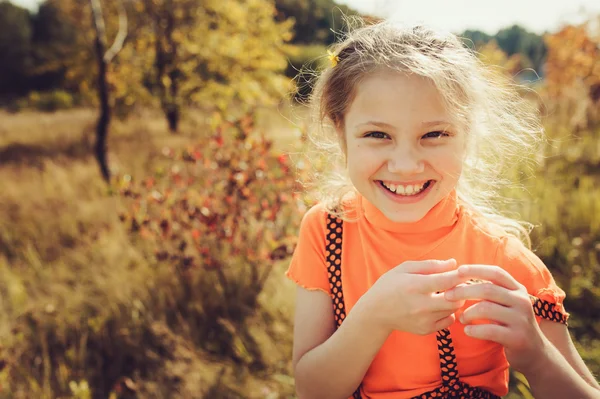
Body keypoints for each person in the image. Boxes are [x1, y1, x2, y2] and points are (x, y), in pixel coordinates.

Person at [286, 20, 600, 399]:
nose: (406, 164)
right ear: (341, 132)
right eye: (377, 135)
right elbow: (311, 390)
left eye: (434, 134)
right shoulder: (326, 230)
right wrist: (374, 316)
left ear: (466, 135)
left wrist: (537, 356)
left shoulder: (500, 260)